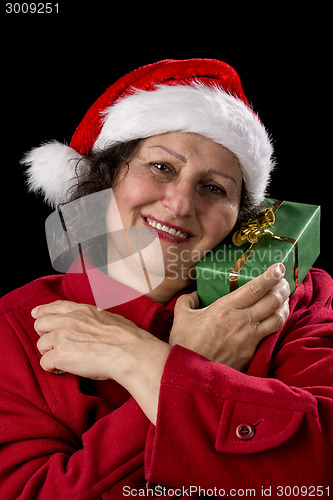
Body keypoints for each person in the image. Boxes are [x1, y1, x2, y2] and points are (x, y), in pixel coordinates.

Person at [0, 59, 332, 499]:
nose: (179, 205)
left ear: (239, 220)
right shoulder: (16, 327)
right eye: (161, 167)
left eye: (214, 188)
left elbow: (319, 474)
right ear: (106, 178)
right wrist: (195, 362)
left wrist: (143, 359)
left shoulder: (292, 297)